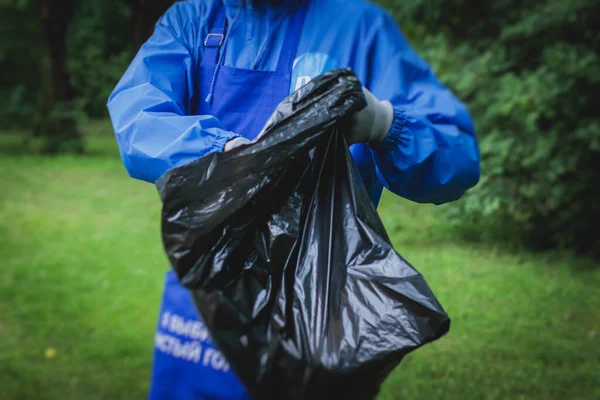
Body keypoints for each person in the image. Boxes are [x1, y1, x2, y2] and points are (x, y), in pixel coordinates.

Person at [107, 0, 481, 398]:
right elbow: (137, 114)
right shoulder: (197, 18)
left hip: (316, 300)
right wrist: (227, 153)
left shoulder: (358, 27)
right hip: (205, 289)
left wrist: (382, 122)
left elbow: (456, 156)